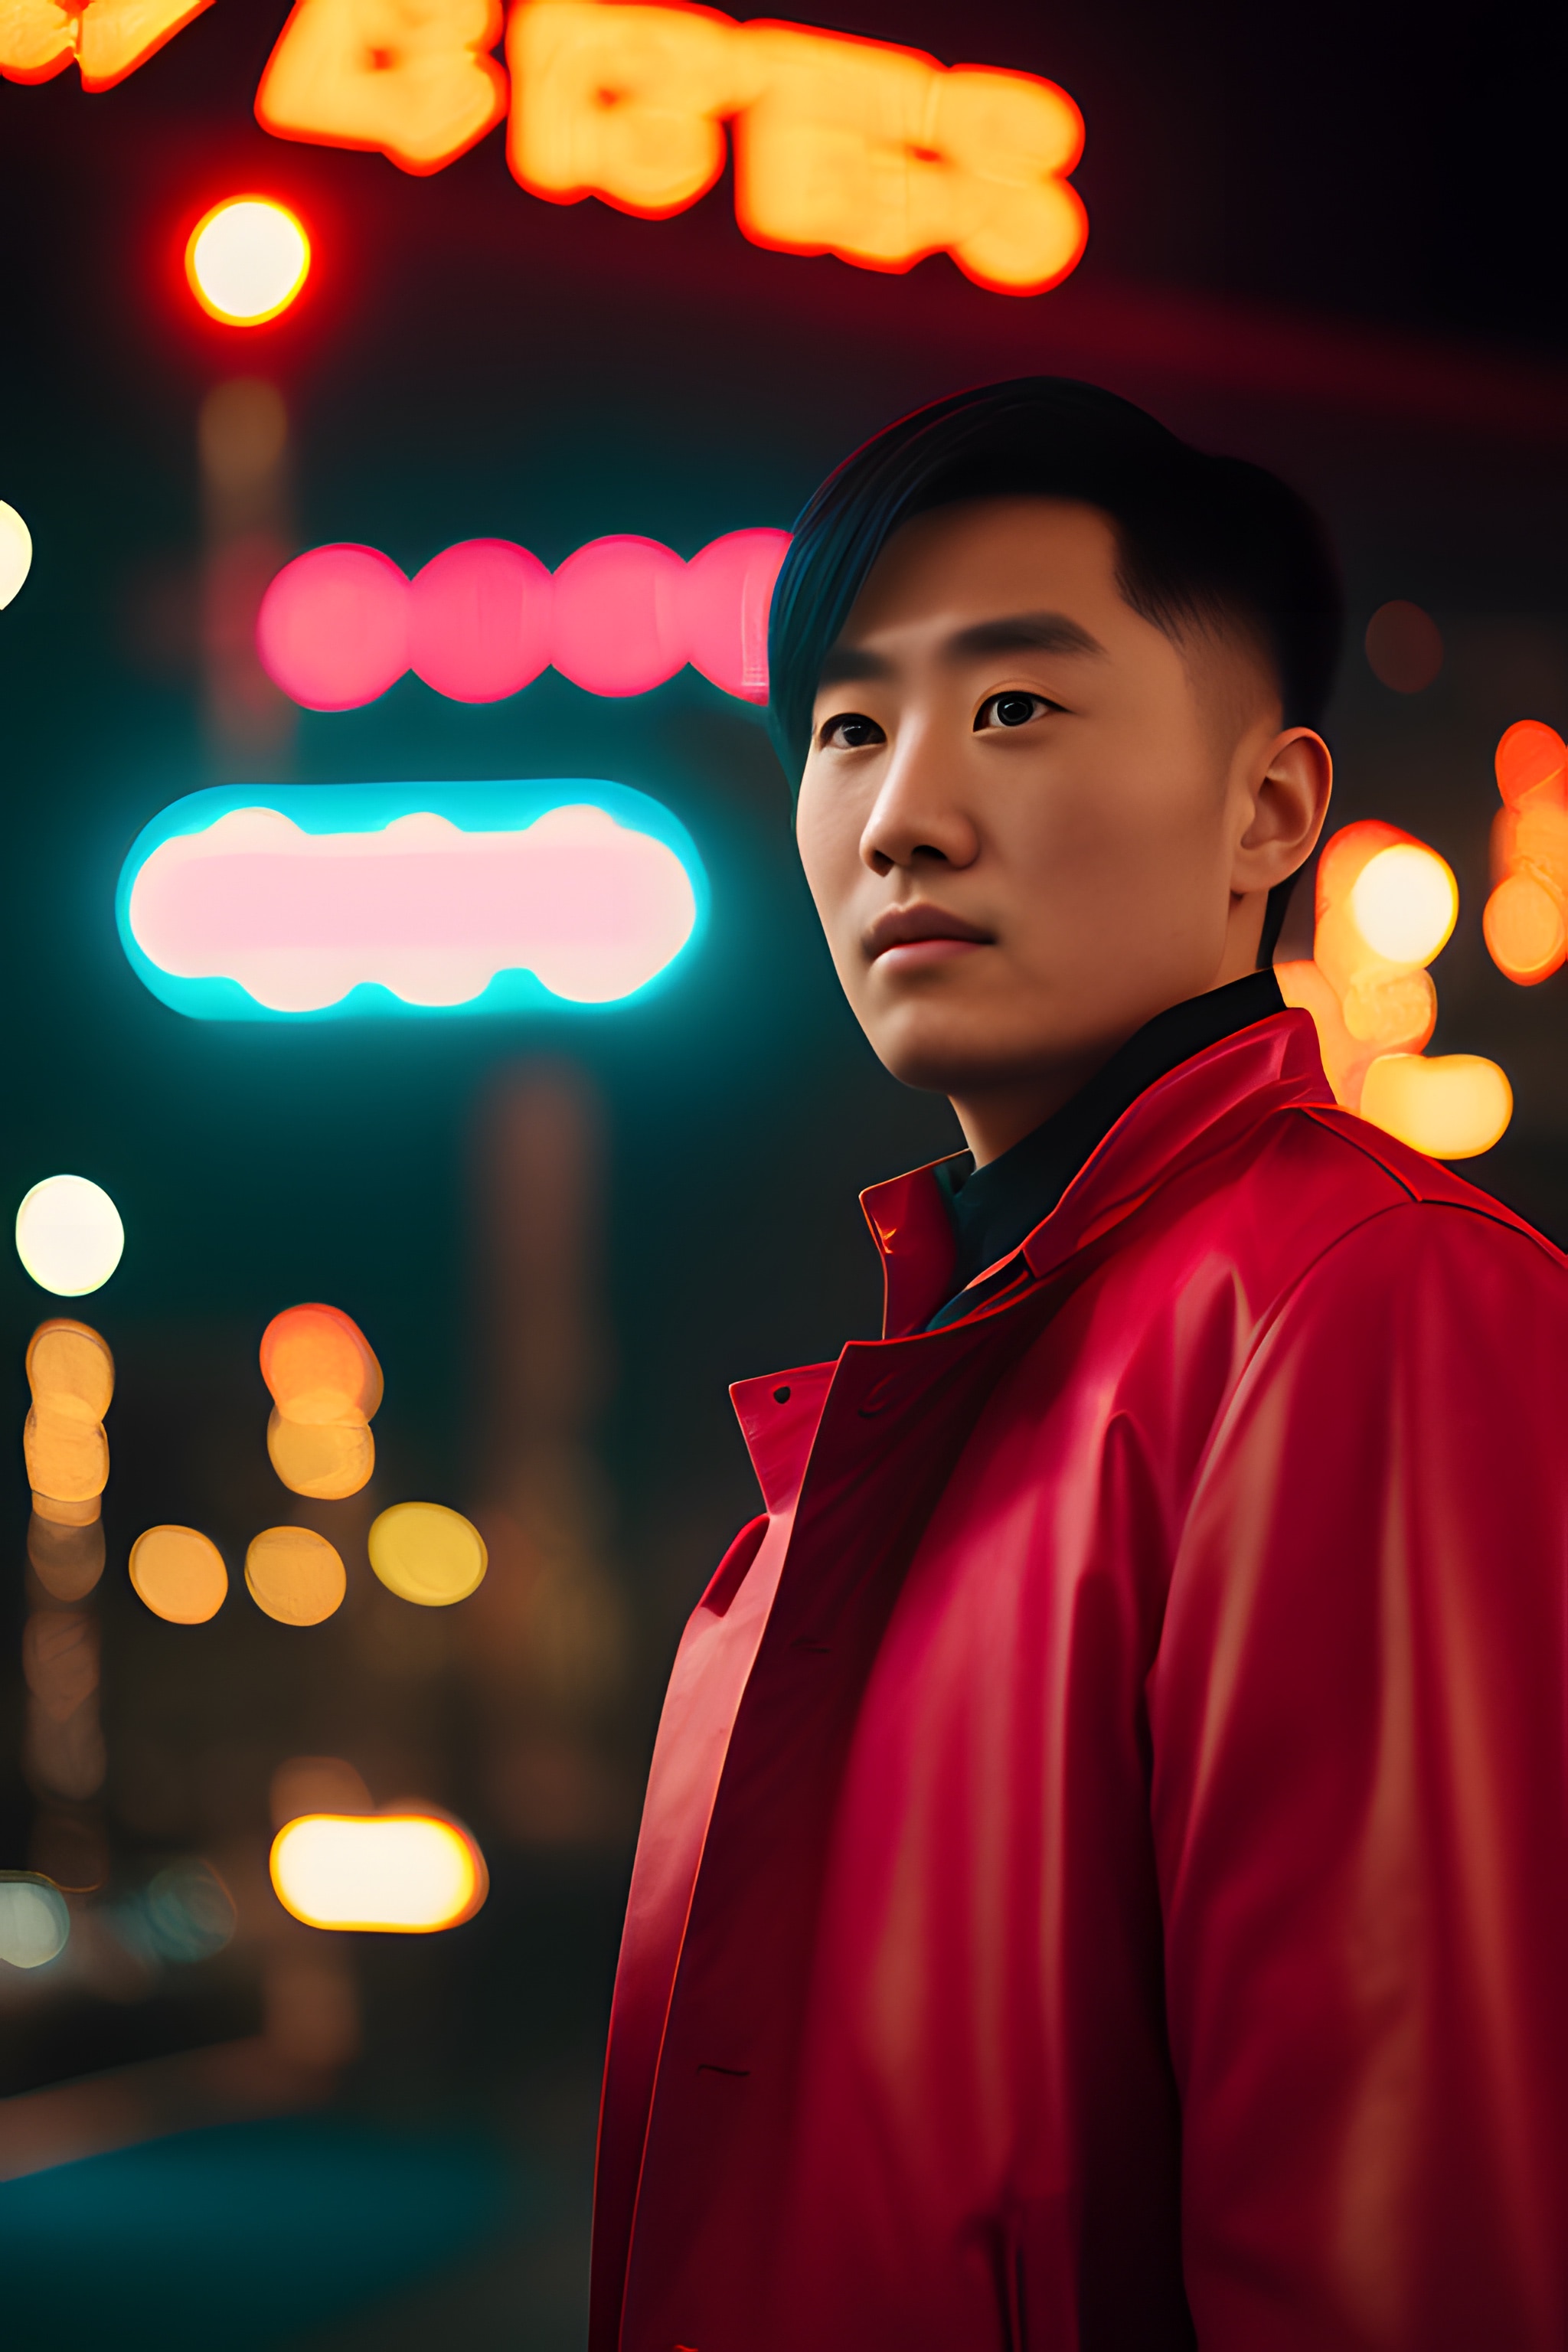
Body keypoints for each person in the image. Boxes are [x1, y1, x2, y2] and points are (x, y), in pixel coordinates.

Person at [590, 379, 1568, 2351]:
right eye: (847, 728)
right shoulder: (936, 1381)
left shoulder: (1365, 1302)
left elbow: (1417, 2228)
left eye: (1013, 708)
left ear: (1268, 812)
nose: (901, 814)